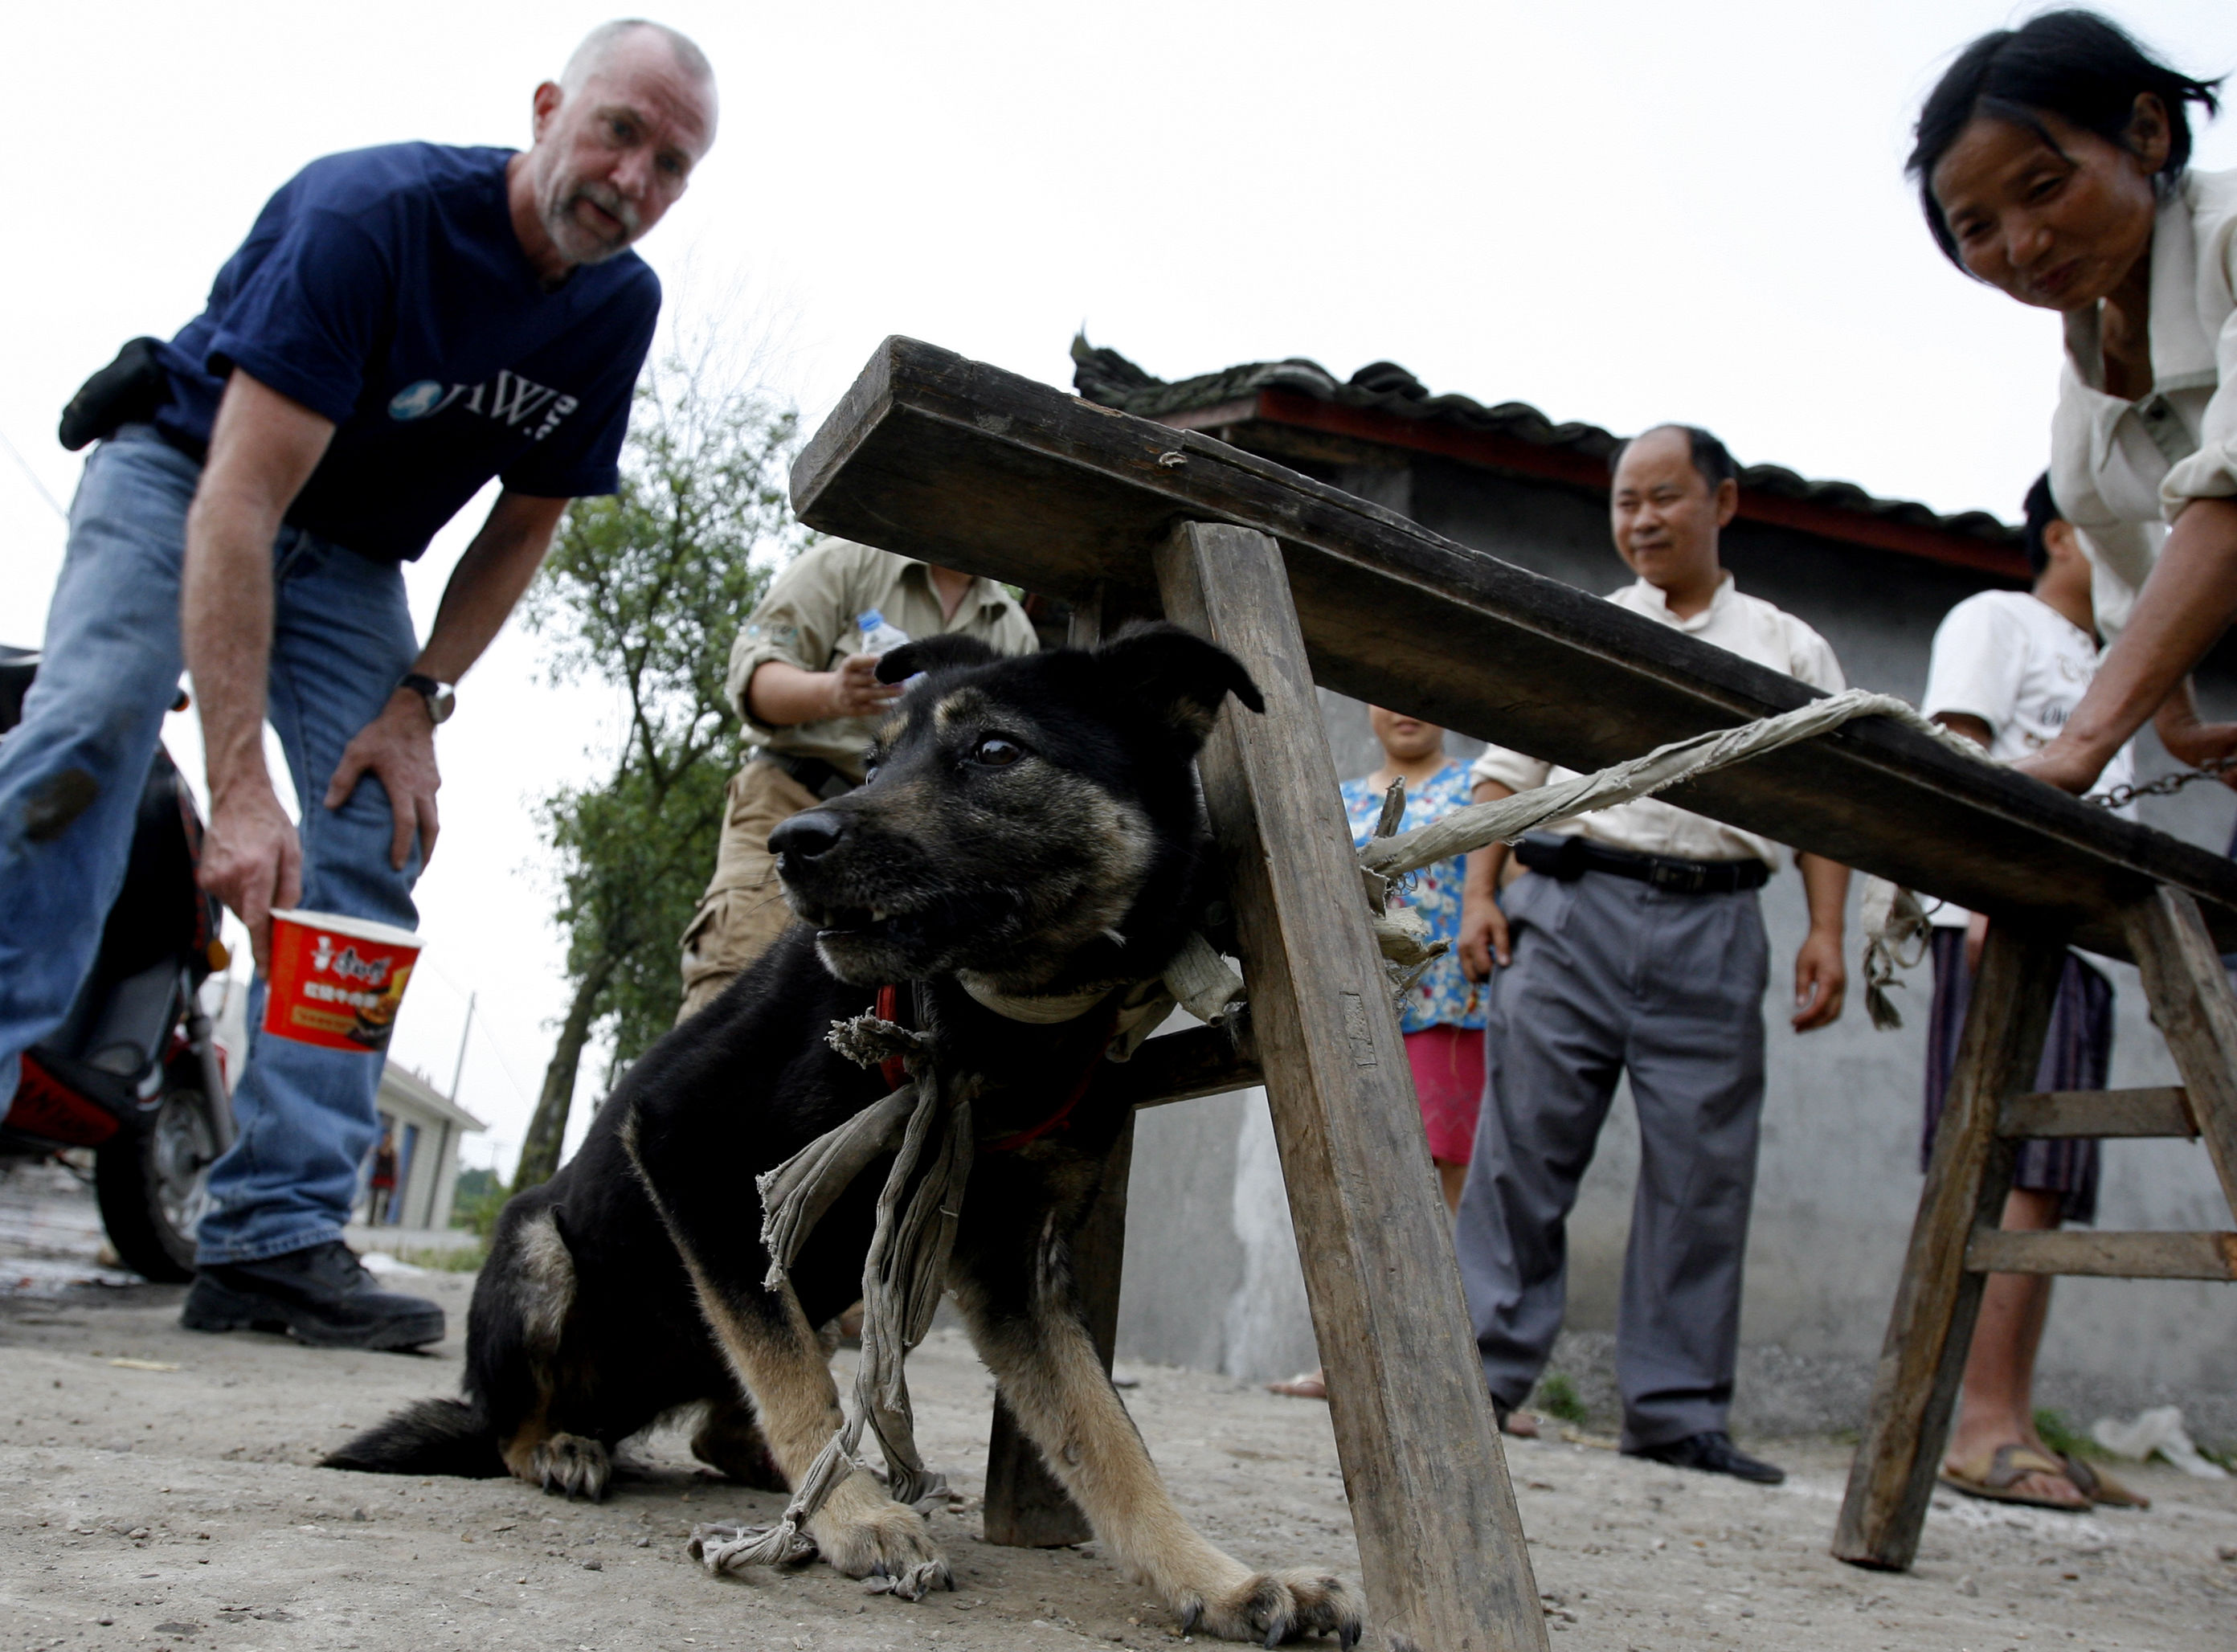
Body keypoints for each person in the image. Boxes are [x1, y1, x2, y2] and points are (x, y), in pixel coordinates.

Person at [0, 20, 718, 1350]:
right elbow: (238, 501)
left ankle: (273, 1233)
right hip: (186, 474)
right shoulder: (373, 215)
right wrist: (232, 788)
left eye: (672, 164)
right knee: (86, 741)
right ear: (550, 107)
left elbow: (523, 523)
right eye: (619, 131)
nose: (634, 178)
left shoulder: (618, 308)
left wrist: (418, 700)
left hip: (348, 559)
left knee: (373, 826)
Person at [1452, 423, 1851, 1485]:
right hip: (1573, 908)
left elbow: (1825, 806)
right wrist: (1479, 894)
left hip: (1717, 923)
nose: (1641, 521)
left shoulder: (1790, 647)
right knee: (1521, 1148)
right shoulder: (1583, 627)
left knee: (1702, 1174)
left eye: (1664, 497)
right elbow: (1503, 773)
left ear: (1724, 502)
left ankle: (1675, 1413)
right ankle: (1476, 1377)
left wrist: (1826, 928)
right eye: (1626, 502)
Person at [1909, 10, 2237, 797]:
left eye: (2045, 188)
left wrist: (2081, 742)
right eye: (1977, 228)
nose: (2023, 246)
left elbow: (2229, 499)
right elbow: (2129, 580)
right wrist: (2179, 725)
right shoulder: (2084, 414)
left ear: (2148, 133)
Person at [1918, 475, 2147, 1511]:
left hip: (2084, 936)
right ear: (2064, 532)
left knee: (2051, 1183)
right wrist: (1979, 889)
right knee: (2000, 1170)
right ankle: (1974, 1425)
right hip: (1999, 919)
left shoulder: (2113, 659)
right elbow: (1955, 752)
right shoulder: (1997, 618)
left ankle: (2009, 1411)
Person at [674, 541, 1037, 1020]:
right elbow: (753, 684)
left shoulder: (1011, 626)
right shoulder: (844, 564)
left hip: (926, 835)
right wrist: (833, 692)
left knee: (893, 1017)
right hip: (794, 799)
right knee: (736, 999)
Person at [1266, 705, 1489, 1406]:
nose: (1405, 713)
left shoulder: (1481, 791)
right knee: (1360, 1177)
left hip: (1451, 1008)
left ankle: (1446, 1363)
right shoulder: (1337, 798)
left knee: (1440, 1181)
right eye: (1388, 698)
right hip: (1358, 1012)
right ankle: (1356, 1355)